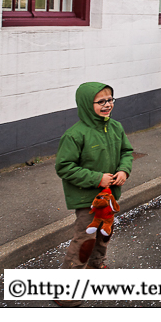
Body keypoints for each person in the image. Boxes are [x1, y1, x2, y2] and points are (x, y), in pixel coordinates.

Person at [54, 82, 133, 304]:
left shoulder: (115, 127)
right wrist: (97, 178)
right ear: (87, 105)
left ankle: (95, 266)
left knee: (104, 233)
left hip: (109, 198)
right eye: (101, 101)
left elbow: (127, 152)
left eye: (110, 100)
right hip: (87, 200)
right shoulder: (75, 135)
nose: (107, 105)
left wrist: (124, 170)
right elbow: (64, 167)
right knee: (85, 240)